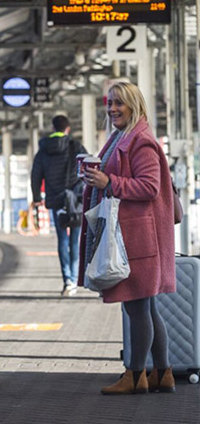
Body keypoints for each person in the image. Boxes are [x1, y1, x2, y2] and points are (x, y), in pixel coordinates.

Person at [79, 81, 176, 394]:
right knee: (147, 307)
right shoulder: (124, 136)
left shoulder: (141, 141)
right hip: (135, 234)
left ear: (134, 105)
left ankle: (135, 377)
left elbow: (149, 187)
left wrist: (108, 181)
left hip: (138, 237)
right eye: (110, 103)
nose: (113, 109)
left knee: (137, 307)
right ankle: (163, 373)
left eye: (119, 103)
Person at [31, 115, 87, 296]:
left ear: (53, 128)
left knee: (62, 239)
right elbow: (87, 169)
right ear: (68, 129)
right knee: (75, 240)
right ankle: (75, 279)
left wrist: (37, 196)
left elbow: (36, 174)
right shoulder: (76, 146)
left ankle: (67, 280)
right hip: (75, 199)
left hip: (56, 199)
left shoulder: (43, 150)